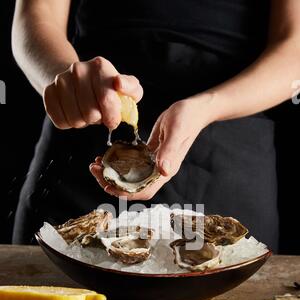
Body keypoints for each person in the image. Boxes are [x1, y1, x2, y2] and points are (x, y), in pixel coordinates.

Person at [11, 0, 300, 250]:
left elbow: (294, 48)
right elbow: (36, 16)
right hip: (85, 136)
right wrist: (66, 81)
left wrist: (208, 107)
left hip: (230, 149)